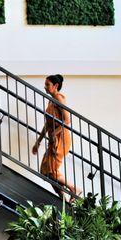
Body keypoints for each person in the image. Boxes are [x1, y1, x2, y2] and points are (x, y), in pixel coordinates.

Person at [31, 74, 82, 202]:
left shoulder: (59, 98)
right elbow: (48, 124)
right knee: (45, 171)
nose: (45, 87)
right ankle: (63, 199)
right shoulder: (51, 100)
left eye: (47, 85)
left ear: (56, 86)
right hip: (53, 138)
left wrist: (55, 133)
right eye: (45, 84)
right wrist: (39, 141)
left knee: (52, 171)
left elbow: (67, 120)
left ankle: (74, 188)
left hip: (61, 138)